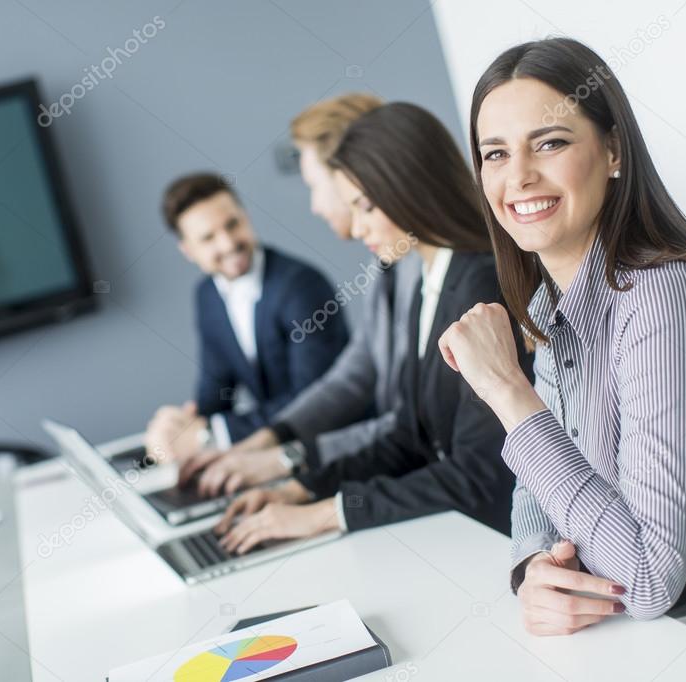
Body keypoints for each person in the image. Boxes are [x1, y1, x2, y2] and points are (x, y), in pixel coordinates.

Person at [437, 37, 686, 661]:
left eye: (549, 143)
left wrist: (507, 389)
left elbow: (644, 576)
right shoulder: (558, 306)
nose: (519, 175)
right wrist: (535, 564)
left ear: (612, 151)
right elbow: (542, 484)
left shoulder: (667, 300)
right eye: (495, 153)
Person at [212, 102, 531, 553]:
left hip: (494, 541)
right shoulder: (429, 282)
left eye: (364, 207)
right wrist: (302, 490)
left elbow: (478, 475)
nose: (357, 228)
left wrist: (324, 514)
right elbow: (407, 434)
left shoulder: (479, 286)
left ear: (407, 188)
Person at [179, 93, 424, 497]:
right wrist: (264, 440)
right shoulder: (385, 264)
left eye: (313, 184)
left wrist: (284, 458)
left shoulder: (301, 285)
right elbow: (354, 373)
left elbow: (410, 426)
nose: (313, 206)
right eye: (207, 237)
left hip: (403, 473)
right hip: (383, 467)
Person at [144, 172, 349, 461]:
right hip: (271, 451)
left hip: (331, 449)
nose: (228, 244)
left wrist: (210, 434)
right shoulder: (207, 295)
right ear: (188, 250)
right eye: (208, 238)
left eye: (232, 224)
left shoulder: (301, 286)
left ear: (246, 217)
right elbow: (216, 391)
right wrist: (181, 428)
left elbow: (313, 398)